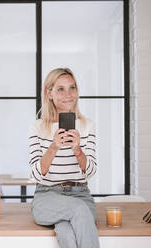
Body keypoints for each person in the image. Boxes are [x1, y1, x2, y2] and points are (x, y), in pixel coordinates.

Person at [29, 68, 99, 248]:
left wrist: (77, 150)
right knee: (77, 211)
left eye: (72, 88)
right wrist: (53, 148)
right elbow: (36, 175)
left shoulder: (86, 126)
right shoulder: (37, 127)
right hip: (47, 196)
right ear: (49, 93)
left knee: (66, 232)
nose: (68, 94)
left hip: (81, 196)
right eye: (61, 89)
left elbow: (90, 172)